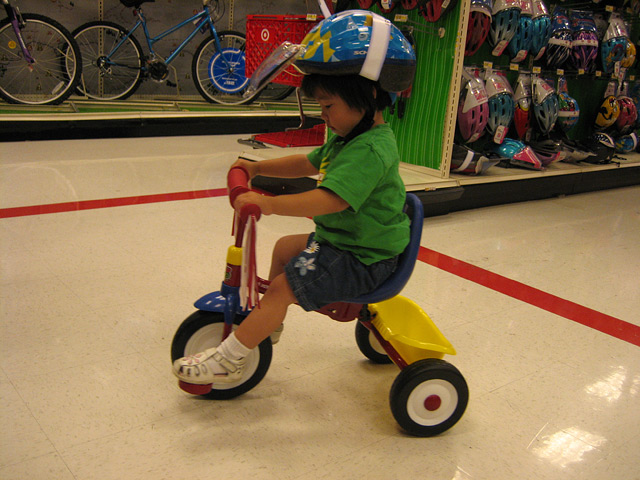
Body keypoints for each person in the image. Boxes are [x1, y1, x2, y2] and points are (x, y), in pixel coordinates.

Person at [173, 10, 416, 387]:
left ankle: (229, 359)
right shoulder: (348, 136)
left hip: (366, 258)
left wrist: (267, 203)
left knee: (285, 286)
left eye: (328, 105)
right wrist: (256, 169)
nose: (323, 115)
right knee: (286, 249)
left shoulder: (370, 149)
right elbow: (306, 162)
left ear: (367, 94)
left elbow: (329, 200)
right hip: (347, 241)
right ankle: (268, 324)